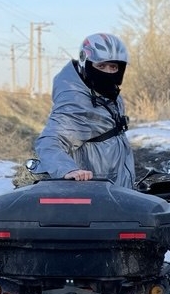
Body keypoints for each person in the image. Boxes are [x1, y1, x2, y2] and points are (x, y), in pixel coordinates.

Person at [32, 32, 135, 189]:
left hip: (115, 184)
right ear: (85, 64)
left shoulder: (109, 94)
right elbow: (49, 141)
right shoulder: (76, 101)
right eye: (101, 66)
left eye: (113, 67)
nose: (107, 72)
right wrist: (68, 169)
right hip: (94, 191)